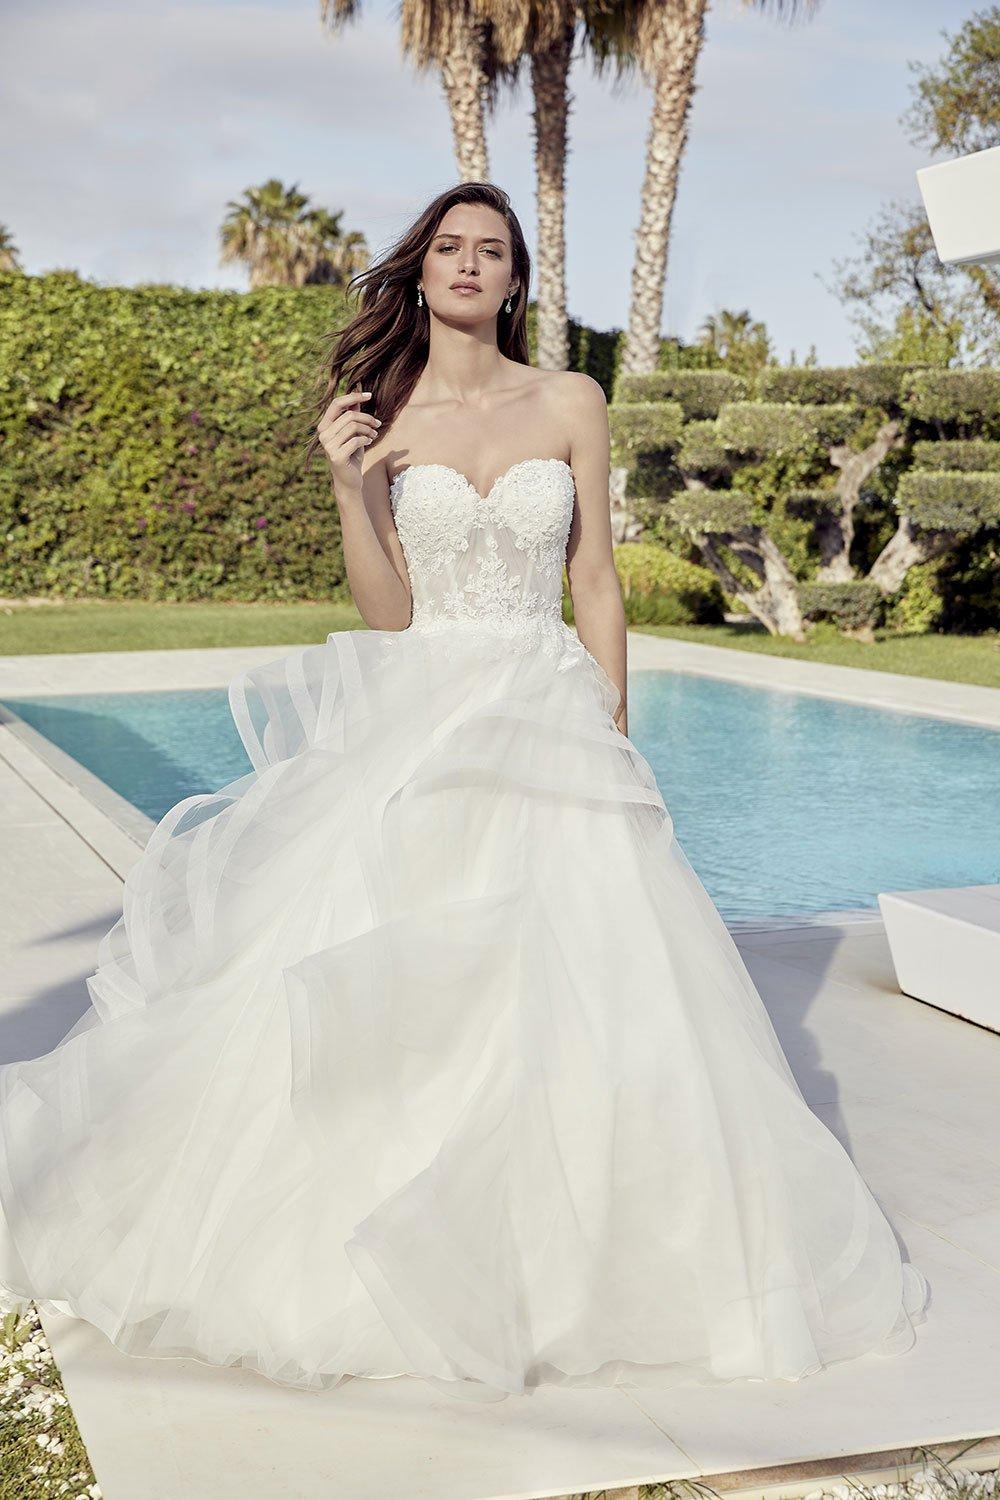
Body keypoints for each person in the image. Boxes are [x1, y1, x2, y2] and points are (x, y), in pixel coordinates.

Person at [0, 182, 928, 1404]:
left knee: (589, 988)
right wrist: (347, 488)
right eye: (452, 247)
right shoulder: (379, 416)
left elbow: (594, 577)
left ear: (516, 280)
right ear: (423, 269)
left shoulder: (572, 401)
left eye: (493, 251)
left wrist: (614, 734)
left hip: (547, 715)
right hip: (422, 718)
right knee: (391, 971)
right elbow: (388, 618)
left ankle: (573, 1258)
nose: (470, 265)